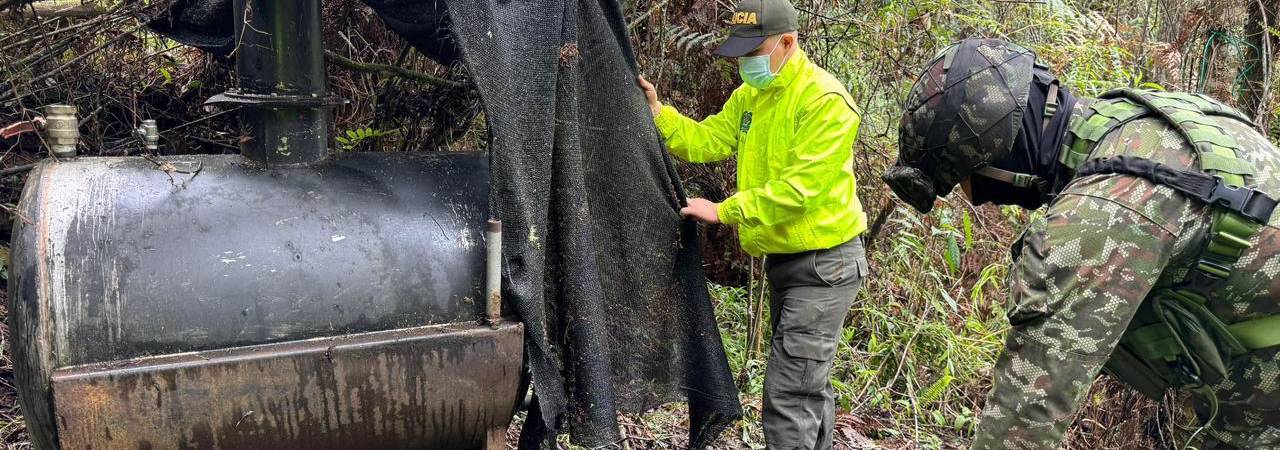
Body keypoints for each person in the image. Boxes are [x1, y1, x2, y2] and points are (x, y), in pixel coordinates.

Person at [883, 38, 1280, 449]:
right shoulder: (1143, 122)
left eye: (971, 185)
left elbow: (1025, 418)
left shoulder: (1098, 215)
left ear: (1002, 161)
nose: (974, 199)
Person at [637, 0, 867, 448]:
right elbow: (707, 139)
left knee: (788, 396)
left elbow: (800, 191)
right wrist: (658, 114)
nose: (746, 62)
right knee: (806, 388)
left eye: (753, 49)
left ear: (788, 42)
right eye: (740, 51)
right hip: (788, 263)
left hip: (825, 266)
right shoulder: (752, 96)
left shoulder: (825, 101)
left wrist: (724, 210)